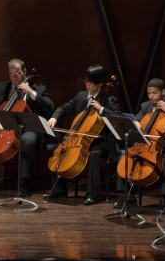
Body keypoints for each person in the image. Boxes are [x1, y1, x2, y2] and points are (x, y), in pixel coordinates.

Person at [0, 59, 54, 196]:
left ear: (25, 72)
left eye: (18, 73)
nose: (14, 77)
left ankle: (24, 185)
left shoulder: (39, 89)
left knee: (27, 141)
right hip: (3, 129)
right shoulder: (1, 87)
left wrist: (31, 92)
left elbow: (50, 107)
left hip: (29, 130)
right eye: (11, 74)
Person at [115, 77, 165, 213]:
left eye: (154, 93)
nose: (151, 96)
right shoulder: (145, 106)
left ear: (163, 91)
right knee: (126, 159)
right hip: (147, 146)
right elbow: (137, 120)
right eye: (149, 93)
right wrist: (137, 125)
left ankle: (164, 199)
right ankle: (129, 197)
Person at [45, 65, 120, 205]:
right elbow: (63, 108)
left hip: (101, 141)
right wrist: (54, 117)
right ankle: (60, 191)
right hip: (80, 138)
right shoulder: (81, 96)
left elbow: (118, 118)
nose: (86, 84)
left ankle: (92, 194)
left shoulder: (109, 101)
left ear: (100, 83)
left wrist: (102, 109)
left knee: (93, 154)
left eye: (90, 82)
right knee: (61, 150)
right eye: (86, 81)